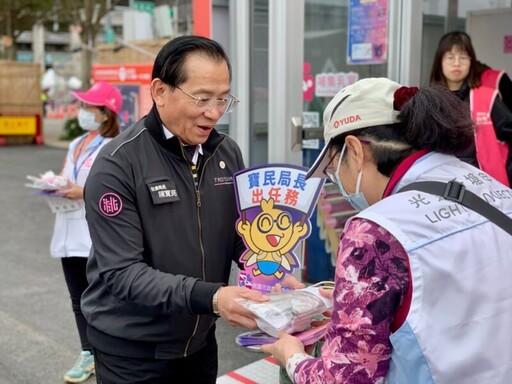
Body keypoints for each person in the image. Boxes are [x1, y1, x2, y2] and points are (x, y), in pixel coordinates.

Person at [261, 77, 512, 383]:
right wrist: (359, 301)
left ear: (353, 150)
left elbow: (345, 379)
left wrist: (292, 355)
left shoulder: (374, 232)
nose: (337, 180)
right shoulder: (491, 187)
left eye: (333, 169)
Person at [80, 35, 270, 384]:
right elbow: (122, 272)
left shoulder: (226, 154)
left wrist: (272, 266)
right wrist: (212, 297)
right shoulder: (118, 164)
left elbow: (241, 236)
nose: (214, 112)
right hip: (132, 350)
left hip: (199, 344)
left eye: (223, 99)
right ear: (160, 91)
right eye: (201, 98)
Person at [49, 81, 123, 383]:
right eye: (82, 106)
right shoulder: (76, 142)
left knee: (104, 298)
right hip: (67, 227)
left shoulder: (114, 145)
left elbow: (113, 190)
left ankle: (110, 354)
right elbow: (67, 176)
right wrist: (55, 185)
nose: (82, 111)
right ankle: (88, 353)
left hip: (95, 234)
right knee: (78, 298)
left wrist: (83, 191)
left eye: (88, 106)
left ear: (105, 113)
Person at [429, 31, 512, 186]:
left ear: (471, 61)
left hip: (484, 184)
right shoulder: (430, 101)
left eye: (463, 57)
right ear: (439, 62)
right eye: (450, 57)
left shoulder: (488, 97)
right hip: (441, 182)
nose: (456, 63)